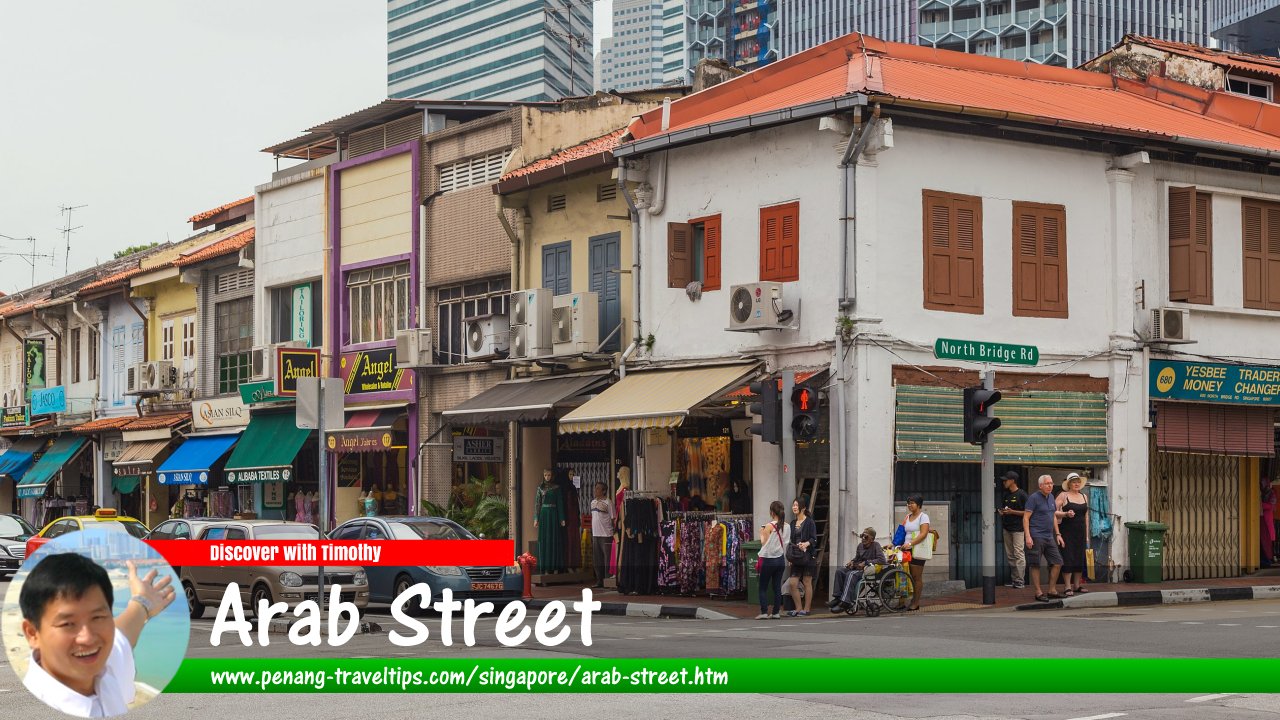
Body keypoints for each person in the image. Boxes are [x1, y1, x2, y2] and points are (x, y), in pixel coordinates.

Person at [19, 553, 177, 718]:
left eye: (97, 617)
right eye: (67, 624)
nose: (87, 638)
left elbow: (121, 636)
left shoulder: (103, 667)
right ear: (32, 633)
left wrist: (142, 602)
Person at [1024, 474, 1068, 602]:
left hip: (1049, 536)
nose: (1050, 485)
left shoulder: (1051, 497)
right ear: (1040, 485)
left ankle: (1052, 590)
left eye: (1051, 483)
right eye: (1047, 483)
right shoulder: (1033, 498)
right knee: (1035, 564)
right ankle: (1038, 592)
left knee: (1058, 562)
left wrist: (1058, 534)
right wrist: (1028, 536)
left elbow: (1053, 515)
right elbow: (1026, 518)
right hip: (1036, 535)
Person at [829, 527, 887, 612]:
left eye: (866, 536)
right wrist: (852, 561)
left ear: (872, 539)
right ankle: (838, 597)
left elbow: (882, 560)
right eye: (862, 536)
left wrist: (866, 562)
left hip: (866, 569)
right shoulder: (860, 546)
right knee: (839, 571)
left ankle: (845, 602)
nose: (863, 538)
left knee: (851, 574)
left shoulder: (876, 545)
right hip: (857, 567)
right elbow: (857, 558)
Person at [1056, 472, 1091, 596]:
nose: (1076, 484)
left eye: (1078, 482)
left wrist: (1087, 535)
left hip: (1080, 532)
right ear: (1069, 484)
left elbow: (1086, 517)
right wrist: (1065, 514)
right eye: (1074, 482)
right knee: (1068, 557)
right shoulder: (1063, 495)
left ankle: (1076, 585)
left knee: (1079, 558)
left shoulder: (1084, 496)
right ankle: (1067, 586)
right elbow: (1053, 512)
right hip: (1067, 532)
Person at [756, 500, 790, 619]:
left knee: (763, 587)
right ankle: (776, 612)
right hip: (780, 560)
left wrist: (761, 533)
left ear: (771, 512)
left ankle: (764, 612)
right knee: (777, 587)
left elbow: (763, 543)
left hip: (768, 560)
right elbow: (786, 543)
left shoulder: (768, 526)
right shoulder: (787, 526)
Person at [786, 495, 818, 617]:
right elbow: (791, 541)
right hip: (796, 557)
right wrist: (790, 557)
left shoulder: (810, 522)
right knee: (792, 583)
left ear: (803, 508)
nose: (794, 507)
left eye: (796, 505)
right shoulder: (792, 523)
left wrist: (806, 543)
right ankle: (798, 608)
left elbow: (814, 539)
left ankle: (807, 609)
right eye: (793, 505)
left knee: (806, 581)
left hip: (808, 556)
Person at [899, 495, 931, 611]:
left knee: (916, 576)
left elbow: (923, 534)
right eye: (908, 503)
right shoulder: (907, 517)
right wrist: (894, 544)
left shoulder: (923, 517)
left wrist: (911, 544)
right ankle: (901, 601)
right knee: (902, 575)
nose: (909, 505)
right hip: (906, 549)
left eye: (912, 503)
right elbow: (901, 532)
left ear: (919, 505)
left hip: (917, 550)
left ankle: (915, 602)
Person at [999, 471, 1029, 589]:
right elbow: (1005, 509)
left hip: (1018, 529)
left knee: (1018, 554)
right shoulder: (1006, 495)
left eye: (1006, 480)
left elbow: (1028, 512)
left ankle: (1020, 580)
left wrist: (1012, 512)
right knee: (1010, 555)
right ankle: (1014, 579)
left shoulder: (1022, 494)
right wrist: (1002, 512)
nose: (1004, 482)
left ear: (1012, 481)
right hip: (1007, 528)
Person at [589, 481, 615, 588]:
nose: (596, 490)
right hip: (596, 534)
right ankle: (599, 580)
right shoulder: (593, 502)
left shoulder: (608, 502)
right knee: (597, 558)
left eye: (598, 489)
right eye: (595, 488)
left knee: (606, 559)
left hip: (606, 534)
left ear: (604, 491)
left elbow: (613, 518)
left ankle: (607, 580)